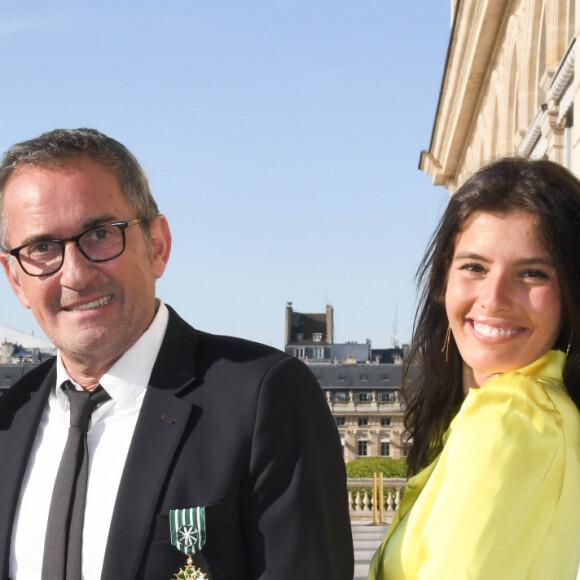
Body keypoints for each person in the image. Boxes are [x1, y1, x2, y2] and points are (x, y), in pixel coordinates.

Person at [0, 128, 354, 580]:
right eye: (42, 247)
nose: (75, 274)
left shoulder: (265, 399)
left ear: (158, 246)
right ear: (15, 280)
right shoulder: (9, 420)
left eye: (100, 234)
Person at [369, 157, 580, 579]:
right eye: (474, 267)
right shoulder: (546, 408)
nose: (495, 298)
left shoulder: (512, 415)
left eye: (533, 273)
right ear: (442, 279)